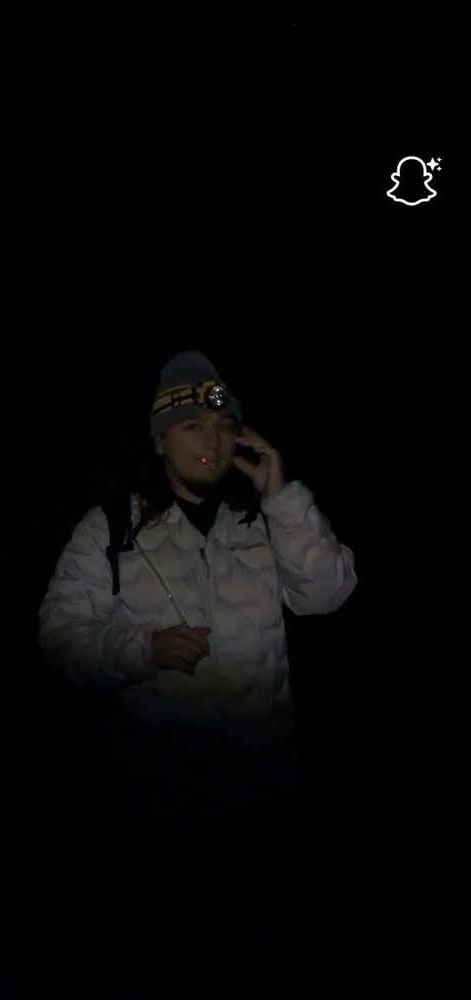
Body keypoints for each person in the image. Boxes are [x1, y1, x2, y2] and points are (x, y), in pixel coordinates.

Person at [37, 350, 358, 857]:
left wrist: (280, 496)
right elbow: (61, 638)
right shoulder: (109, 530)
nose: (212, 441)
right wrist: (146, 649)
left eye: (224, 427)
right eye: (191, 427)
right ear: (159, 440)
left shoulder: (264, 521)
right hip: (157, 811)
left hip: (264, 800)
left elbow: (325, 594)